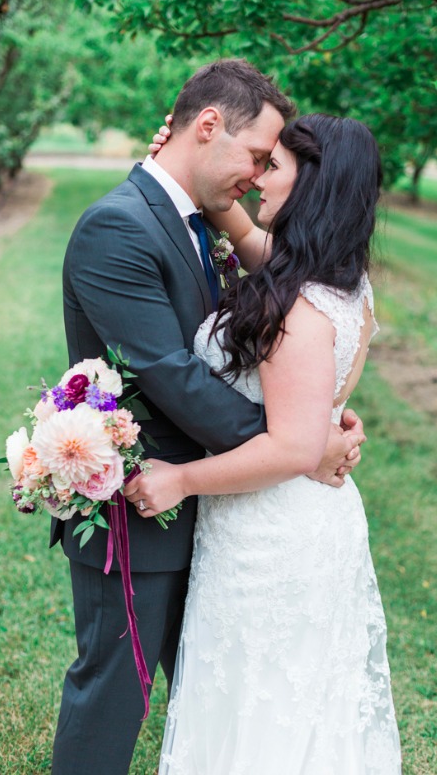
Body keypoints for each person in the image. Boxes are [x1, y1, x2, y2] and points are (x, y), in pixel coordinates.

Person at [51, 60, 365, 775]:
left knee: (213, 701)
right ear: (208, 125)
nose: (257, 177)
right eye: (256, 156)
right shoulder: (117, 227)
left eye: (268, 166)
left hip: (218, 516)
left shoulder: (195, 222)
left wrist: (313, 418)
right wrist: (298, 446)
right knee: (113, 698)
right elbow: (172, 375)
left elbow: (269, 349)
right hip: (141, 514)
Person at [125, 113, 402, 773]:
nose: (256, 180)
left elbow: (290, 450)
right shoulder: (337, 284)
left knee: (265, 701)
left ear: (314, 185)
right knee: (289, 700)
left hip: (275, 534)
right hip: (296, 520)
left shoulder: (301, 309)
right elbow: (243, 231)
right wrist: (172, 159)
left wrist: (180, 479)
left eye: (272, 168)